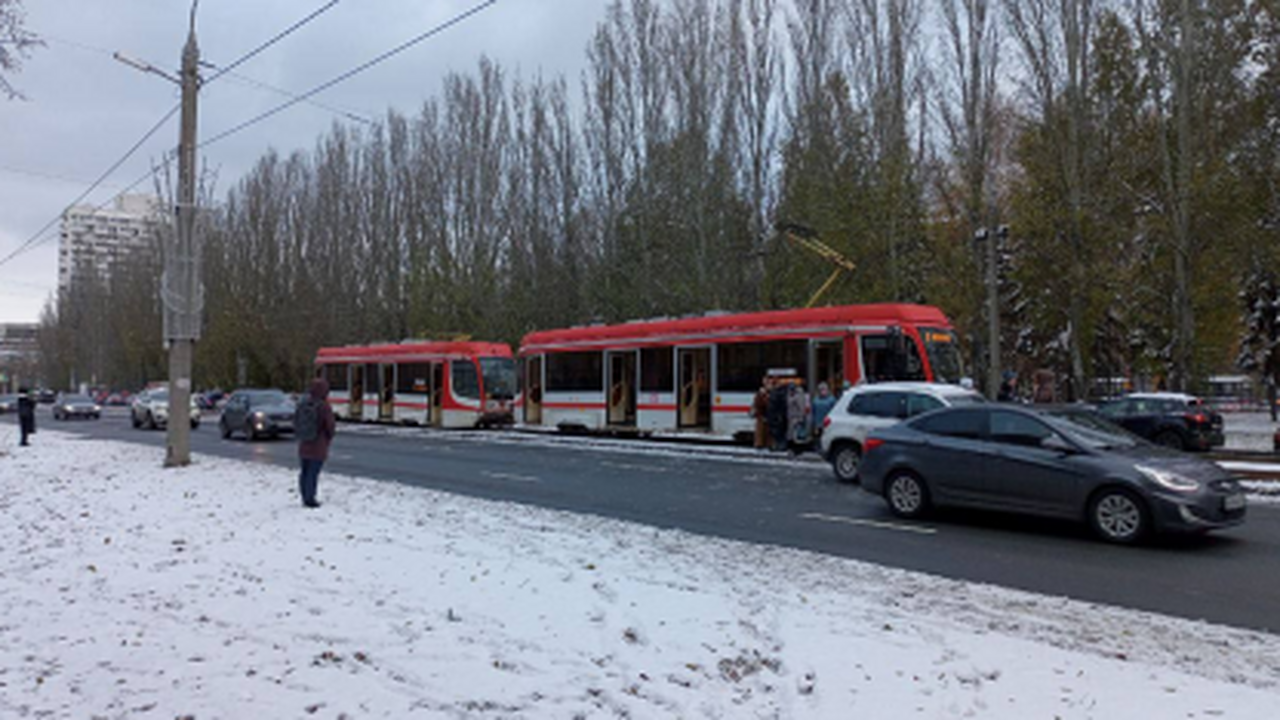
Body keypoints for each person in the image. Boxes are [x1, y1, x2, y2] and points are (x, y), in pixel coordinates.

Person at [296, 377, 336, 508]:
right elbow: (330, 426)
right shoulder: (324, 406)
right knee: (313, 473)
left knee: (304, 471)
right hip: (318, 444)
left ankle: (304, 496)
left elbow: (295, 421)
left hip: (304, 443)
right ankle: (310, 499)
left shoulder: (302, 403)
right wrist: (328, 438)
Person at [766, 377, 790, 451]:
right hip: (776, 416)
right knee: (778, 432)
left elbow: (778, 406)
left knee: (778, 432)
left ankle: (780, 446)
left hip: (776, 416)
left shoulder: (777, 393)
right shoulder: (781, 393)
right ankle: (778, 445)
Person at [787, 382, 811, 451]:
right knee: (792, 436)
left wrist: (800, 418)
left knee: (796, 436)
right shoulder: (790, 395)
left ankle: (797, 450)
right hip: (791, 418)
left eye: (791, 389)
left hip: (796, 418)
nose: (790, 391)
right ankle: (793, 449)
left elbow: (801, 408)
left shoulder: (798, 396)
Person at [751, 376, 772, 450]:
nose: (768, 384)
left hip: (766, 413)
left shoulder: (768, 392)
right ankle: (760, 444)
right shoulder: (762, 392)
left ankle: (765, 444)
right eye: (766, 382)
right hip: (762, 413)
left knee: (766, 430)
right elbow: (758, 403)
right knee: (761, 430)